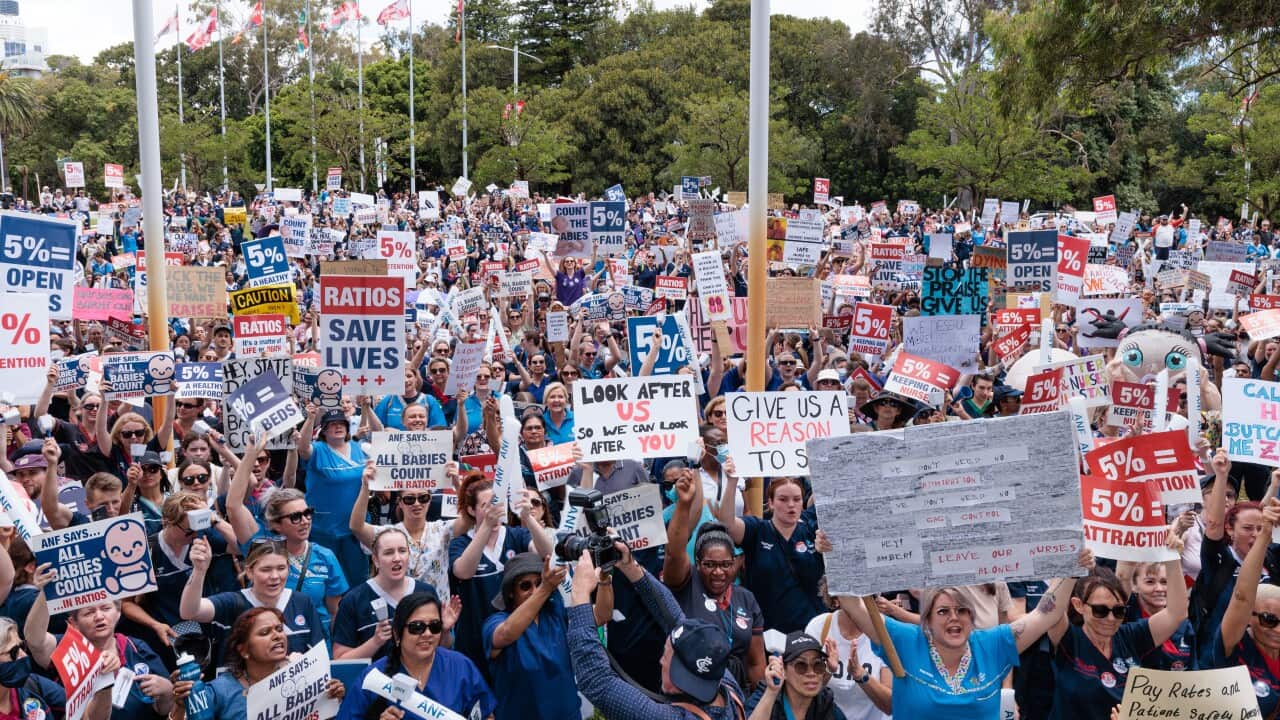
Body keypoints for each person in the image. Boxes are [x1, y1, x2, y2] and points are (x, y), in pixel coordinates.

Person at [839, 550, 1095, 718]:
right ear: (926, 619)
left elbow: (1046, 614)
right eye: (943, 611)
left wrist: (1071, 571)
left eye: (962, 610)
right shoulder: (905, 640)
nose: (954, 617)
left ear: (971, 618)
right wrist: (836, 552)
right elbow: (852, 604)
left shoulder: (992, 643)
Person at [567, 545, 747, 720]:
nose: (661, 660)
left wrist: (580, 592)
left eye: (666, 657)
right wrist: (630, 566)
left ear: (681, 677)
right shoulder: (725, 686)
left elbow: (596, 680)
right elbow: (674, 618)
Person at [1042, 540, 1188, 720]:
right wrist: (1071, 569)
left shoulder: (1131, 636)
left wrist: (1172, 557)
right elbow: (1049, 611)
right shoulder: (1069, 639)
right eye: (1100, 610)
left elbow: (1177, 613)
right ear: (1078, 605)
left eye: (1119, 611)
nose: (1110, 619)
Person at [25, 564, 176, 719]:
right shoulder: (68, 648)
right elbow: (34, 639)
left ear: (118, 613)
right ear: (73, 622)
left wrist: (166, 691)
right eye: (89, 612)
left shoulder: (136, 648)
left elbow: (165, 710)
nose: (99, 616)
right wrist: (45, 593)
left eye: (105, 608)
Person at [664, 469, 765, 689]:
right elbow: (673, 552)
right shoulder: (686, 583)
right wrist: (684, 504)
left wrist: (759, 703)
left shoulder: (746, 599)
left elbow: (756, 663)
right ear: (698, 563)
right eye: (710, 565)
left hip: (734, 694)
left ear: (736, 563)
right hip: (689, 690)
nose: (718, 572)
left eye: (725, 565)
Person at [448, 478, 555, 673]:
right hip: (475, 642)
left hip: (515, 638)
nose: (494, 511)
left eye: (497, 504)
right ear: (472, 510)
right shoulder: (460, 544)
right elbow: (463, 571)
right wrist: (486, 526)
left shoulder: (516, 535)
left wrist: (528, 518)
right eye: (486, 506)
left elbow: (547, 553)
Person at [337, 591, 496, 720]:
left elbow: (486, 714)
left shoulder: (460, 666)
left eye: (434, 626)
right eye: (417, 627)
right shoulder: (373, 677)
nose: (427, 634)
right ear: (397, 634)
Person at [170, 608, 345, 720]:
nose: (277, 636)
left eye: (279, 629)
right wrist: (179, 707)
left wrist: (331, 699)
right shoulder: (221, 690)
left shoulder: (304, 676)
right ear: (244, 650)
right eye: (265, 632)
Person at [179, 538, 326, 659]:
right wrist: (199, 571)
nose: (275, 576)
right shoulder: (234, 602)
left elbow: (319, 654)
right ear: (249, 572)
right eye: (266, 569)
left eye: (281, 568)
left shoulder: (301, 601)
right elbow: (189, 612)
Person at [718, 475, 827, 633]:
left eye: (797, 499)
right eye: (783, 499)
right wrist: (732, 482)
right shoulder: (757, 530)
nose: (791, 505)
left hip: (811, 632)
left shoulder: (812, 530)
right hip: (768, 633)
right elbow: (727, 523)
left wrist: (826, 548)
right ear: (771, 502)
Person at [333, 527, 451, 660]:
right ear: (376, 560)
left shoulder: (426, 592)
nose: (397, 558)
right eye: (389, 553)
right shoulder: (353, 600)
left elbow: (443, 649)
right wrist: (375, 642)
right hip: (374, 679)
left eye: (402, 551)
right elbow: (340, 660)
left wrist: (445, 631)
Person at [1211, 488, 1280, 715]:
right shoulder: (1233, 647)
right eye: (1269, 620)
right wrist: (1265, 535)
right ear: (1249, 619)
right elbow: (1241, 598)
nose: (1277, 629)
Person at [260, 488, 349, 636]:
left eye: (307, 514)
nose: (305, 521)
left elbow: (335, 612)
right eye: (296, 517)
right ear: (276, 524)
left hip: (317, 642)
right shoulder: (265, 558)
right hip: (278, 640)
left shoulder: (325, 556)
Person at [298, 406, 370, 586]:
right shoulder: (318, 450)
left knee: (357, 578)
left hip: (355, 529)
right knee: (325, 579)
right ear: (324, 430)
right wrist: (310, 418)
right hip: (324, 529)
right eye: (332, 424)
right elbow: (302, 448)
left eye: (341, 424)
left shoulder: (360, 448)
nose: (337, 427)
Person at [805, 596, 892, 720]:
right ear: (836, 599)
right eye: (851, 596)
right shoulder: (819, 626)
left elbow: (889, 705)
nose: (859, 603)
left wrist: (861, 675)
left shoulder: (884, 631)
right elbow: (804, 692)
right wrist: (829, 670)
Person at [745, 632, 847, 720]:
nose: (811, 673)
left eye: (818, 665)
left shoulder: (823, 700)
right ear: (783, 669)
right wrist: (771, 692)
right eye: (801, 666)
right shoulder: (766, 694)